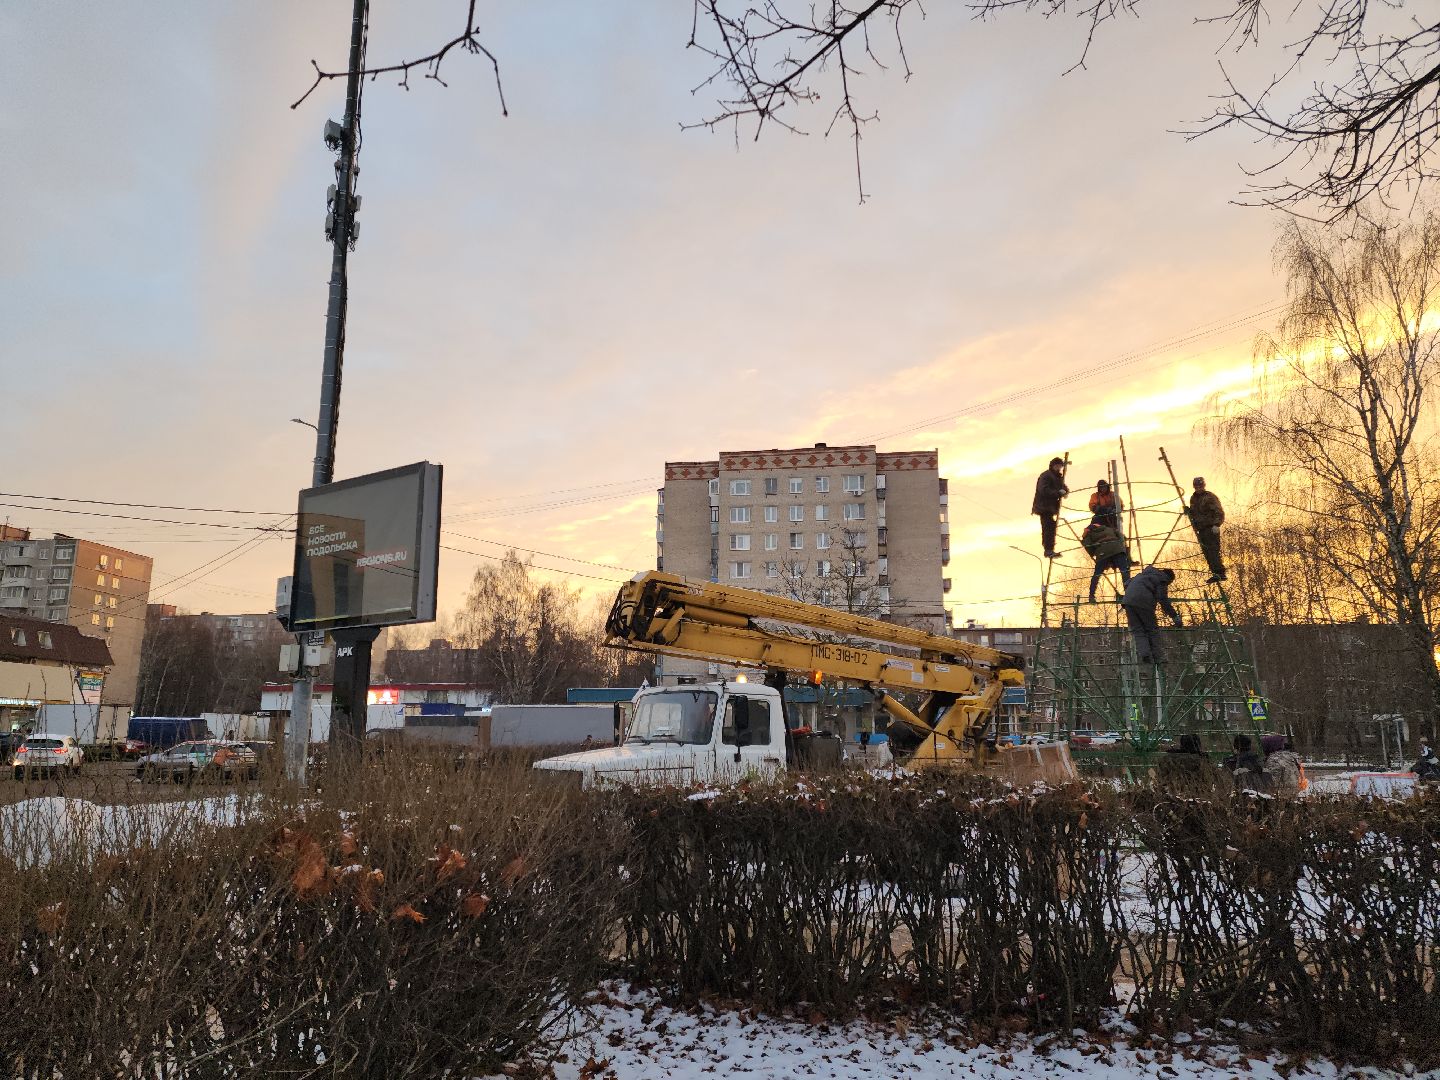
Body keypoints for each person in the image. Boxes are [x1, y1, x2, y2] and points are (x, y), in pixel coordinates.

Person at [1119, 566, 1182, 664]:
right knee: (1152, 630)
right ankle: (1159, 657)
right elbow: (1162, 599)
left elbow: (1126, 583)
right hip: (1144, 602)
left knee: (1138, 630)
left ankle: (1145, 654)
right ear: (1169, 578)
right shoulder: (1162, 579)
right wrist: (1174, 616)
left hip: (1128, 602)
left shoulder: (1141, 575)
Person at [1081, 517, 1133, 603]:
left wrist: (1095, 552)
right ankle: (1129, 593)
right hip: (1117, 548)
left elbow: (1088, 547)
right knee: (1124, 571)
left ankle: (1091, 596)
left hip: (1102, 552)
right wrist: (1120, 546)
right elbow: (1122, 536)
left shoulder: (1089, 534)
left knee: (1097, 574)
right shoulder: (1108, 528)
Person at [1155, 732, 1224, 796]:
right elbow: (1216, 779)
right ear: (1198, 744)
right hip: (1201, 797)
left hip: (1173, 797)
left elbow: (1160, 780)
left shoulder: (1168, 760)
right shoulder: (1204, 760)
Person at [1187, 477, 1227, 583]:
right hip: (1201, 529)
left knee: (1213, 550)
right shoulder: (1193, 498)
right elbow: (1195, 512)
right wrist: (1189, 512)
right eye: (1196, 486)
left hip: (1211, 527)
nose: (1198, 488)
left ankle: (1220, 573)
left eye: (1200, 486)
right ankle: (1214, 573)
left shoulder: (1210, 497)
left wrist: (1217, 524)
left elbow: (1218, 511)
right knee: (1207, 552)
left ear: (1204, 486)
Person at [1032, 457, 1069, 558]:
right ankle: (1048, 550)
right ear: (1053, 465)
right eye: (1057, 466)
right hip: (1044, 506)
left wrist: (1065, 492)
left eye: (1060, 466)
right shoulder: (1046, 475)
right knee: (1048, 527)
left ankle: (1050, 549)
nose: (1059, 468)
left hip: (1051, 507)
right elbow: (1044, 489)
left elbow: (1063, 486)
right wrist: (1057, 493)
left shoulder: (1057, 477)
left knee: (1051, 527)